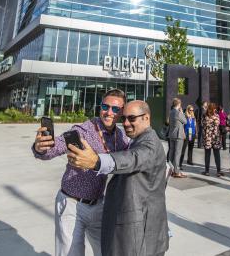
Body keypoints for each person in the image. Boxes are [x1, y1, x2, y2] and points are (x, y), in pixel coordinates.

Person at [32, 89, 129, 256]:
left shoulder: (120, 138)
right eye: (105, 106)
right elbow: (55, 149)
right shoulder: (83, 130)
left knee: (108, 251)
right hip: (72, 204)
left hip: (99, 205)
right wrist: (40, 148)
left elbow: (130, 159)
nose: (109, 112)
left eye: (115, 109)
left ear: (122, 112)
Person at [67, 100, 169, 256]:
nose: (126, 123)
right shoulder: (137, 140)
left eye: (132, 118)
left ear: (146, 118)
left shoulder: (149, 144)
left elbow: (132, 158)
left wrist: (96, 161)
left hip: (138, 239)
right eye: (124, 118)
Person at [202, 102, 223, 177]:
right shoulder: (216, 116)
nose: (215, 110)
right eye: (214, 108)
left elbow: (203, 125)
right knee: (217, 154)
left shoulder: (204, 116)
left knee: (207, 154)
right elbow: (217, 125)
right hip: (215, 137)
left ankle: (207, 171)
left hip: (207, 137)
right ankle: (218, 171)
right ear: (212, 109)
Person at [167, 98, 186, 178]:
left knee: (171, 153)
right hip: (178, 135)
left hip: (171, 135)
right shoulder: (178, 113)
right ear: (179, 104)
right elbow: (185, 121)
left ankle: (170, 170)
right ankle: (176, 172)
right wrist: (182, 112)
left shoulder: (171, 112)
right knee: (177, 154)